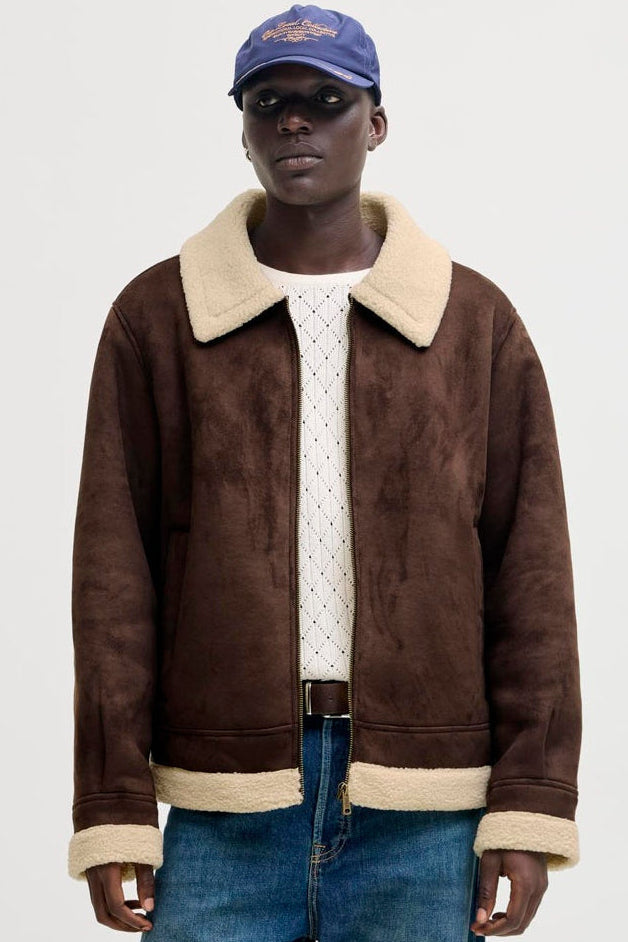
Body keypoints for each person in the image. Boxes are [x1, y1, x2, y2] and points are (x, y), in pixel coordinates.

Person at [66, 5, 582, 940]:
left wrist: (531, 801)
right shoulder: (158, 318)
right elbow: (113, 579)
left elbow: (531, 574)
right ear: (244, 131)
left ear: (375, 124)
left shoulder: (472, 322)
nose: (294, 121)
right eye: (268, 103)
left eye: (326, 100)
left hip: (425, 813)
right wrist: (112, 807)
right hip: (224, 807)